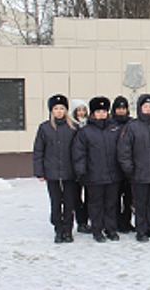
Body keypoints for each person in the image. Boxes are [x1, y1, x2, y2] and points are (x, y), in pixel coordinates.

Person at [117, 94, 150, 242]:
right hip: (138, 173)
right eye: (145, 107)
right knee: (140, 203)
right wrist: (129, 168)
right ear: (140, 109)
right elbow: (124, 150)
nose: (148, 109)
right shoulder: (132, 127)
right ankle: (141, 230)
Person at [72, 97, 122, 243]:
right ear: (93, 113)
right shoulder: (85, 132)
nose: (101, 114)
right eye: (98, 111)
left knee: (111, 204)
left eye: (104, 111)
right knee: (96, 204)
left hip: (113, 175)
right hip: (94, 175)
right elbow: (79, 153)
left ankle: (111, 229)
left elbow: (122, 150)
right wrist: (81, 171)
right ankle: (97, 229)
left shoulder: (115, 129)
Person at [33, 94, 77, 243]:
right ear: (51, 111)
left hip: (69, 172)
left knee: (69, 202)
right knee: (56, 202)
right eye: (56, 109)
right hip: (51, 172)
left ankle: (68, 230)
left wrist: (79, 170)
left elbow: (78, 151)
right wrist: (39, 171)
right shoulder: (45, 128)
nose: (59, 111)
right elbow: (39, 150)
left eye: (62, 108)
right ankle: (58, 229)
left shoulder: (73, 128)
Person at [111, 96, 135, 233]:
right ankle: (114, 222)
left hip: (129, 167)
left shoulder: (132, 124)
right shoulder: (109, 124)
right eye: (118, 108)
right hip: (113, 167)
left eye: (123, 108)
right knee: (114, 198)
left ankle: (126, 222)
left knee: (128, 198)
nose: (121, 111)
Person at [70, 98, 91, 235]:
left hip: (90, 167)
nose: (82, 113)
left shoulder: (90, 126)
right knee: (76, 197)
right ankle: (81, 221)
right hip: (73, 167)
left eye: (84, 110)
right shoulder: (70, 127)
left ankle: (87, 219)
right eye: (79, 110)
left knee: (90, 196)